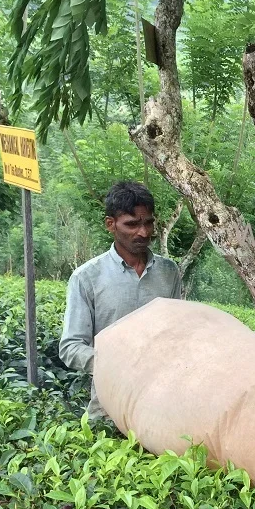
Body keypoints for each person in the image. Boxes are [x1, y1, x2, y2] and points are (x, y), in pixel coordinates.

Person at [59, 181, 182, 422]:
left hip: (163, 408)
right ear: (110, 224)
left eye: (148, 223)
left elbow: (178, 334)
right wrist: (118, 364)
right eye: (132, 224)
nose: (144, 233)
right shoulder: (87, 277)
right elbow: (71, 347)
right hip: (108, 410)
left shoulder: (169, 272)